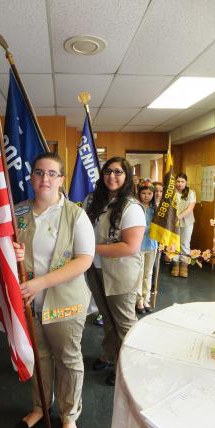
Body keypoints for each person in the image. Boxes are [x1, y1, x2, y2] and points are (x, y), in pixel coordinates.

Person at [13, 152, 95, 428]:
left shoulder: (75, 214)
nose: (44, 178)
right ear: (32, 177)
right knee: (39, 356)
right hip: (29, 300)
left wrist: (42, 282)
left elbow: (84, 259)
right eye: (38, 172)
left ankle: (69, 415)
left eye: (51, 173)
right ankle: (39, 406)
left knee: (68, 358)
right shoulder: (19, 211)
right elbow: (10, 254)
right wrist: (15, 254)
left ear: (61, 179)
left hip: (65, 302)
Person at [84, 157, 145, 386]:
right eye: (108, 171)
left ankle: (128, 366)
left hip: (121, 273)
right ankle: (109, 354)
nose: (112, 176)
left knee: (124, 322)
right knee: (107, 318)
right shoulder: (93, 200)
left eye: (118, 172)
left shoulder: (132, 207)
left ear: (127, 176)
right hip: (96, 270)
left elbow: (130, 247)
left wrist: (87, 249)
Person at [135, 181, 158, 314]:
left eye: (149, 193)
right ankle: (138, 300)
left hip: (152, 244)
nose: (146, 196)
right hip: (138, 245)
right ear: (139, 193)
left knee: (148, 273)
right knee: (139, 273)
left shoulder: (155, 209)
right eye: (143, 193)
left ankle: (146, 298)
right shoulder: (136, 207)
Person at [171, 173, 196, 278]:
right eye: (178, 181)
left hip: (187, 221)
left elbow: (190, 208)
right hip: (173, 221)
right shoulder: (171, 192)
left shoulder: (191, 192)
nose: (180, 184)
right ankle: (175, 264)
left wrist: (179, 217)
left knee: (185, 243)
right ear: (175, 182)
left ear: (186, 183)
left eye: (182, 181)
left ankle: (184, 265)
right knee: (174, 243)